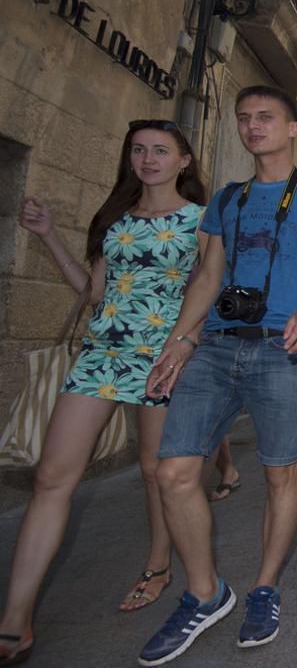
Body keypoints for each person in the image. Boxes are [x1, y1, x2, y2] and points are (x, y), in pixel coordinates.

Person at [136, 86, 297, 666]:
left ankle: (264, 588)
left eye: (266, 117)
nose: (253, 126)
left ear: (292, 130)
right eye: (244, 119)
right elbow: (208, 277)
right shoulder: (227, 200)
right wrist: (178, 342)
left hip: (285, 348)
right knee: (173, 472)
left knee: (282, 477)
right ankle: (205, 592)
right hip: (215, 346)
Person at [0, 120, 207, 664]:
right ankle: (15, 620)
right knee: (51, 476)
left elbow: (206, 296)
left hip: (162, 360)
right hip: (100, 356)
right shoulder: (115, 218)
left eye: (161, 150)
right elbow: (93, 292)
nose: (148, 159)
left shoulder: (201, 222)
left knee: (155, 472)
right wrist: (48, 235)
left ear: (184, 160)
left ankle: (159, 564)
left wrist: (185, 346)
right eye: (138, 150)